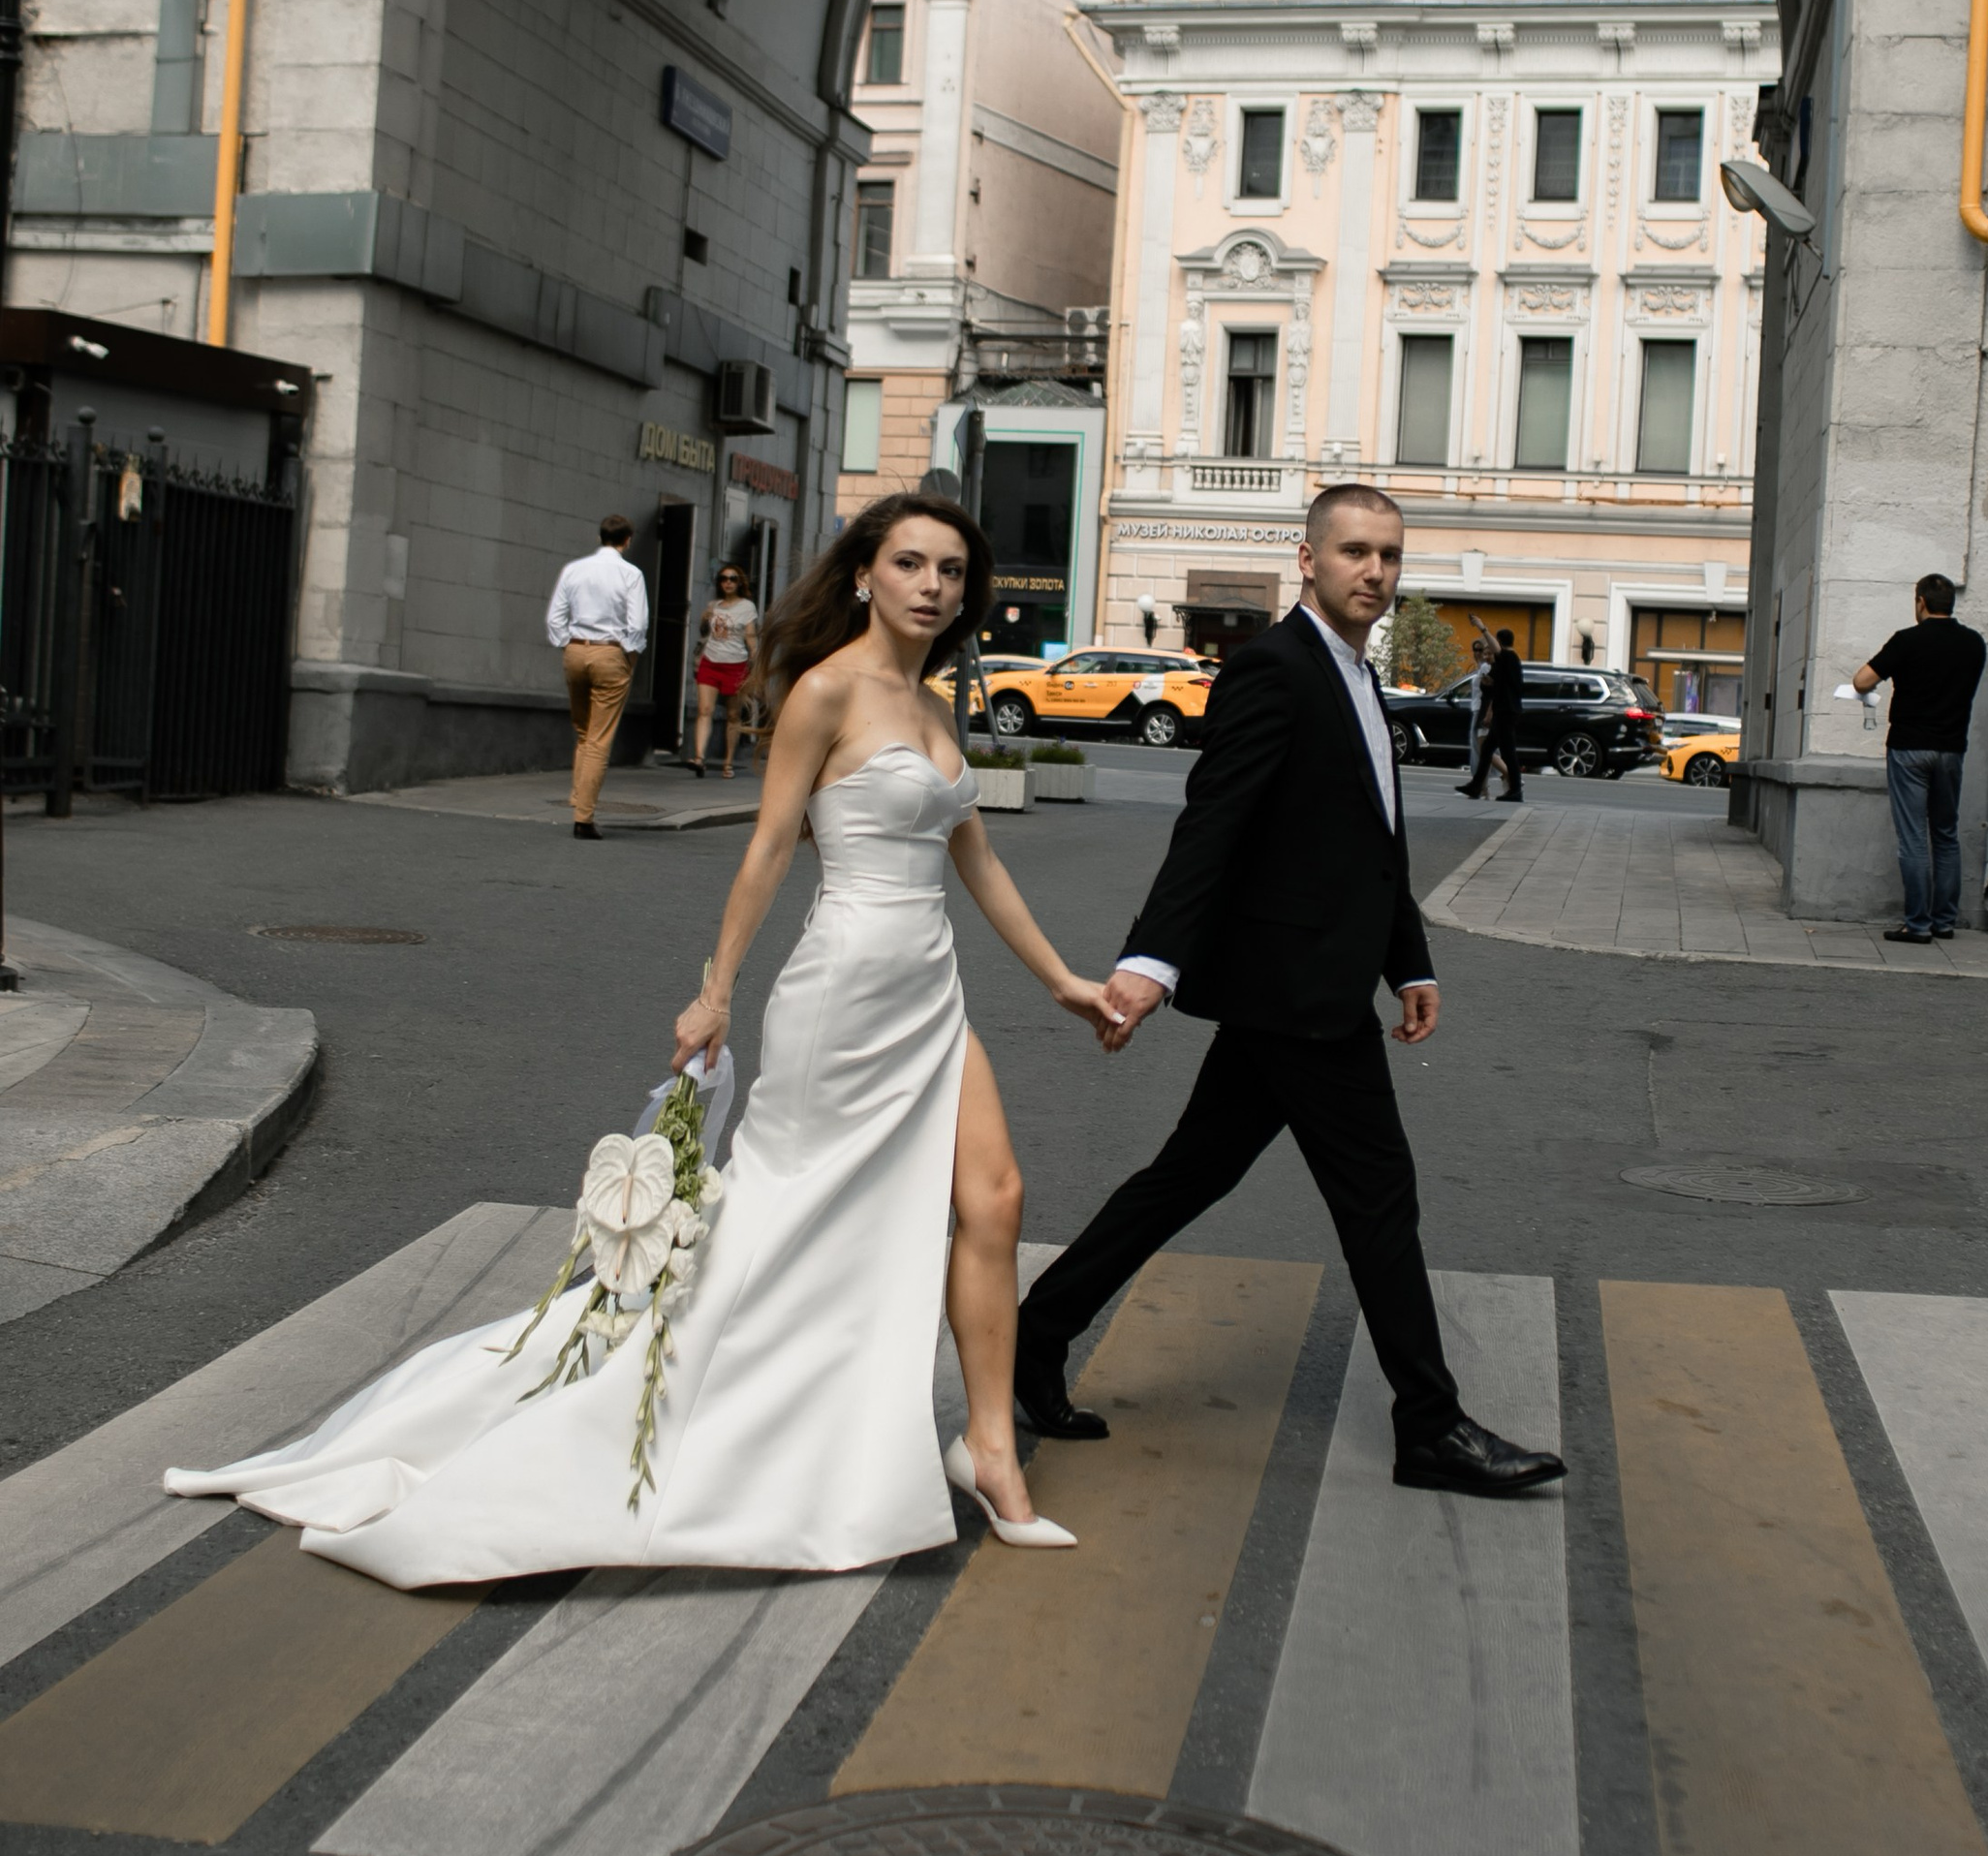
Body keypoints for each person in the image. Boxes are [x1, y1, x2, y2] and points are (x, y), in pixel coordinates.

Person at [167, 495, 1113, 1575]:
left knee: (995, 1199)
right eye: (909, 563)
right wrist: (715, 994)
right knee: (773, 1221)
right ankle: (644, 1406)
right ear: (864, 574)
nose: (932, 585)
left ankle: (986, 1450)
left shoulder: (933, 706)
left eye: (950, 569)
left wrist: (1063, 983)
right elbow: (768, 849)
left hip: (928, 990)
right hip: (843, 994)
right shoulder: (827, 690)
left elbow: (974, 858)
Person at [1012, 486, 1566, 1500]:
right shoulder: (1273, 666)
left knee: (1188, 1177)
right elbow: (1213, 822)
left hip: (1302, 988)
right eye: (1354, 551)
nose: (1375, 571)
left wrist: (1410, 962)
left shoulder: (1357, 673)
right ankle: (1429, 1426)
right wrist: (1150, 961)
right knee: (1378, 1198)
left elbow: (1372, 841)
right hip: (1296, 995)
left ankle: (1034, 1332)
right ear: (1307, 559)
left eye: (1388, 555)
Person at [1852, 572, 1987, 942]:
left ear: (1921, 602)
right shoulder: (1974, 644)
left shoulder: (1907, 641)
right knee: (1945, 835)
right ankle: (1944, 922)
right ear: (1951, 604)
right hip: (1951, 748)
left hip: (1909, 747)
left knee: (1913, 838)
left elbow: (1862, 681)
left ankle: (1918, 924)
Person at [547, 512, 647, 838]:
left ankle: (578, 795)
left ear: (599, 537)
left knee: (582, 729)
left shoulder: (573, 569)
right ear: (627, 541)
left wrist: (566, 643)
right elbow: (637, 624)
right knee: (599, 738)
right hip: (610, 652)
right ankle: (584, 817)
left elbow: (555, 618)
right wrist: (629, 656)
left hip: (575, 650)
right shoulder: (631, 574)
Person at [690, 563, 759, 779]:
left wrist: (755, 659)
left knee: (733, 714)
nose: (727, 582)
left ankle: (728, 763)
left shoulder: (747, 607)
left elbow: (750, 636)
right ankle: (699, 758)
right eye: (723, 579)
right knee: (704, 710)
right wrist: (705, 617)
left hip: (736, 664)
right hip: (710, 661)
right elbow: (703, 632)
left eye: (732, 579)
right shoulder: (713, 605)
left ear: (739, 583)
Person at [1458, 628, 1527, 801]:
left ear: (1500, 642)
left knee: (1507, 752)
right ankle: (1476, 786)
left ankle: (1516, 790)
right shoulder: (1503, 663)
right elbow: (1493, 687)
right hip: (1503, 711)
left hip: (1506, 711)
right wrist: (1487, 683)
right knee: (1488, 749)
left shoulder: (1509, 657)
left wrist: (1482, 628)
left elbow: (1497, 686)